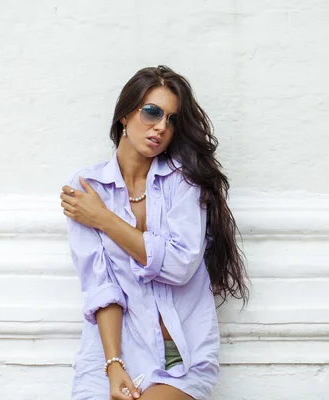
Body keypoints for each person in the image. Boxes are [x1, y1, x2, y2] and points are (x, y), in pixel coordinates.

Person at [60, 65, 249, 400]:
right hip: (113, 351)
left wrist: (104, 219)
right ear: (124, 115)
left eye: (172, 119)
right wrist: (114, 363)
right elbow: (100, 285)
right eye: (152, 112)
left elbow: (180, 264)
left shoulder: (183, 182)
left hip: (181, 355)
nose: (161, 126)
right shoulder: (88, 188)